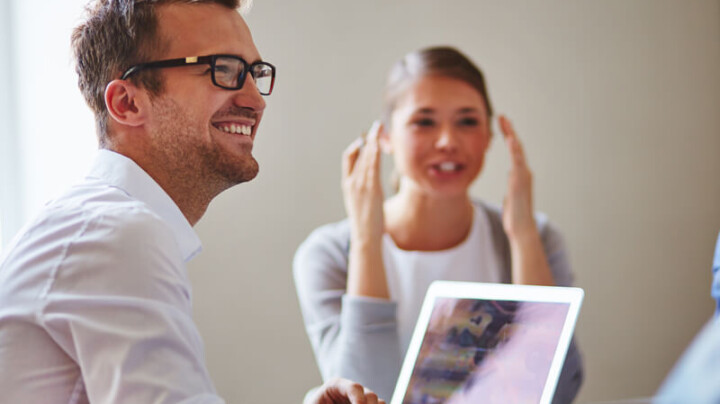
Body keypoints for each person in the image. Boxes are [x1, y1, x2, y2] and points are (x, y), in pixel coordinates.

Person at [0, 1, 381, 403]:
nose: (256, 99)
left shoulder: (98, 227)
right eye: (224, 70)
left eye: (255, 73)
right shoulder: (111, 235)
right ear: (127, 103)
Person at [293, 46, 583, 403]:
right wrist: (368, 242)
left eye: (467, 121)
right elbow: (363, 392)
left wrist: (523, 239)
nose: (447, 141)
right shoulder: (330, 254)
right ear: (385, 137)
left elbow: (560, 391)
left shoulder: (537, 237)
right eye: (424, 122)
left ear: (491, 136)